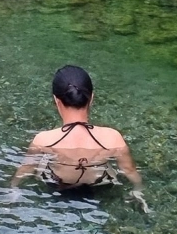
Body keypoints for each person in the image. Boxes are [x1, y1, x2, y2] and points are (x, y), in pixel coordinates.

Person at [10, 65, 149, 212]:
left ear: (56, 100)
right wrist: (138, 190)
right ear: (92, 98)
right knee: (109, 168)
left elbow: (26, 168)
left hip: (57, 186)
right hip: (99, 186)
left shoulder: (44, 140)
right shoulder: (112, 137)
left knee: (42, 162)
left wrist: (14, 188)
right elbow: (129, 170)